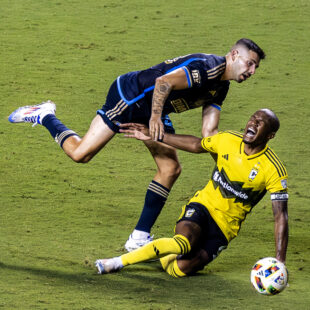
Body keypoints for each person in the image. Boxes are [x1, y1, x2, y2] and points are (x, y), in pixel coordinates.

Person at [8, 38, 265, 251]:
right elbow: (162, 83)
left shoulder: (220, 87)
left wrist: (228, 167)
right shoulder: (206, 68)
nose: (252, 72)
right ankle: (44, 115)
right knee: (80, 155)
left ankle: (139, 238)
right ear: (233, 55)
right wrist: (154, 119)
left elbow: (208, 137)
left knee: (170, 168)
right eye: (250, 64)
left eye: (255, 68)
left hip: (155, 107)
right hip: (129, 96)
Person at [95, 109, 288, 277]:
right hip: (203, 206)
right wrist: (156, 136)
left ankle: (156, 254)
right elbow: (197, 145)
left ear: (270, 135)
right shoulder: (228, 139)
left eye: (260, 123)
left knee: (181, 268)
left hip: (225, 226)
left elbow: (281, 217)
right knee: (183, 243)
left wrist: (279, 262)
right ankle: (116, 262)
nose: (252, 123)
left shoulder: (273, 169)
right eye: (252, 118)